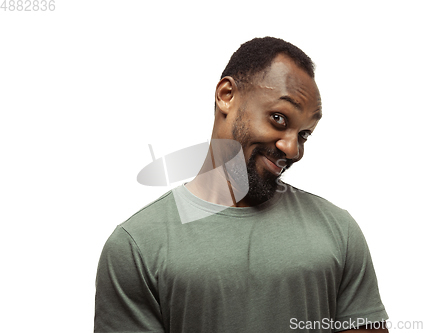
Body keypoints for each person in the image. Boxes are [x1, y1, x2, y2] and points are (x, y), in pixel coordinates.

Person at [94, 37, 389, 332]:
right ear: (226, 95)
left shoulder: (338, 231)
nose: (292, 149)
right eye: (279, 118)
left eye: (304, 134)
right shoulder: (136, 246)